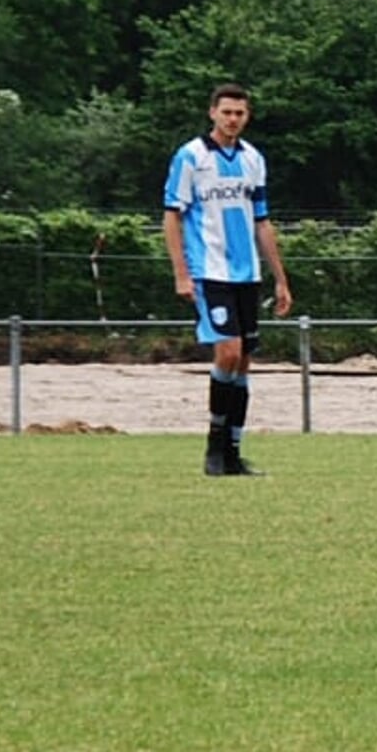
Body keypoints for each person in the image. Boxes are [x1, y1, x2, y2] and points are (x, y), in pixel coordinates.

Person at [162, 83, 294, 477]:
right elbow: (172, 215)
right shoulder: (191, 156)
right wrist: (181, 273)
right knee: (228, 353)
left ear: (247, 116)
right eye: (227, 112)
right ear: (213, 113)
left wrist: (280, 280)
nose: (233, 118)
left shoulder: (253, 159)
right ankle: (214, 448)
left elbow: (262, 221)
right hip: (210, 271)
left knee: (245, 362)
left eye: (240, 113)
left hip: (247, 274)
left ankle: (234, 452)